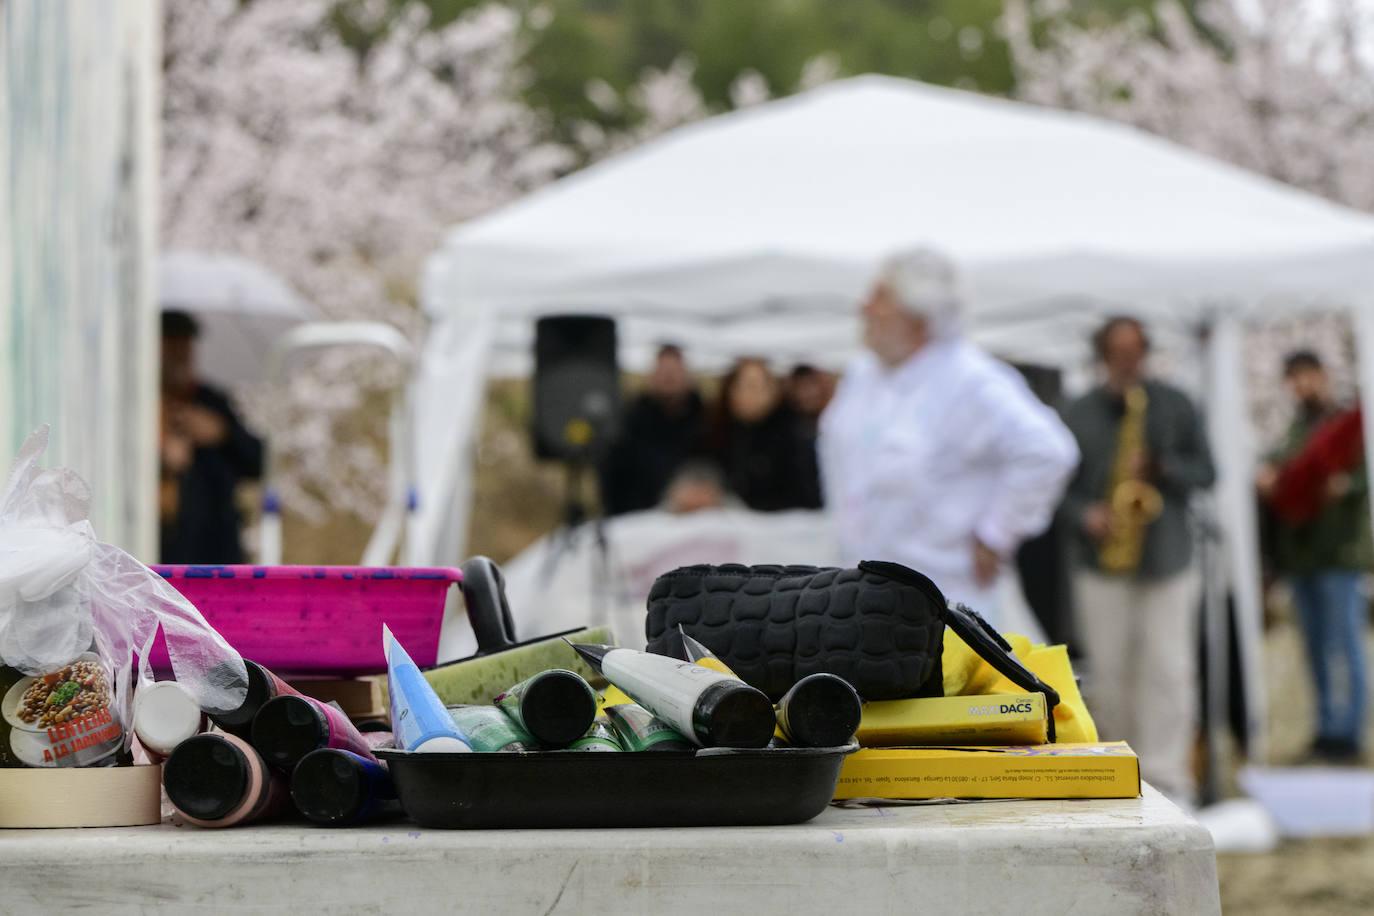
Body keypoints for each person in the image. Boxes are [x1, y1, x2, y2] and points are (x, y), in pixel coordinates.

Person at [818, 248, 1079, 623]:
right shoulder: (864, 375)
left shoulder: (970, 379)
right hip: (862, 597)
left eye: (881, 297)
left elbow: (1047, 451)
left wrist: (996, 533)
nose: (865, 308)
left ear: (919, 317)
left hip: (947, 605)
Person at [1060, 315, 1215, 804]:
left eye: (1135, 350)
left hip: (1166, 555)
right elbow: (1054, 489)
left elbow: (1208, 470)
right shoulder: (1077, 412)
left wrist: (1163, 467)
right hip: (1101, 560)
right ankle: (1122, 773)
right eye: (1117, 351)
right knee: (1110, 672)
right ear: (1102, 355)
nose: (1128, 361)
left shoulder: (1174, 403)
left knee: (1170, 669)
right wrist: (1087, 514)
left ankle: (1170, 780)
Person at [1258, 350, 1369, 762]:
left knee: (1345, 643)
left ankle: (1350, 732)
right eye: (1295, 378)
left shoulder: (1348, 426)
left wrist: (1347, 485)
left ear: (1323, 376)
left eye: (1308, 376)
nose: (1302, 386)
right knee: (1315, 647)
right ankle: (1326, 730)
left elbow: (1359, 476)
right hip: (1300, 556)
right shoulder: (1294, 431)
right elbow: (1285, 470)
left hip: (1338, 554)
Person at [159, 311, 264, 564]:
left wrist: (223, 433)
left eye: (184, 348)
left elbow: (259, 462)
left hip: (217, 548)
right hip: (158, 552)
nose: (179, 357)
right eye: (170, 347)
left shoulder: (213, 401)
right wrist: (162, 459)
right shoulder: (133, 406)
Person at [598, 344, 707, 515]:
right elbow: (613, 477)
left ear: (687, 376)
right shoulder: (628, 422)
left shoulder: (706, 421)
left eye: (674, 371)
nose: (669, 377)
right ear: (651, 376)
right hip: (641, 520)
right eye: (663, 371)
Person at [709, 357, 822, 511]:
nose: (751, 395)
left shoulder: (792, 435)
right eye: (746, 386)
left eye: (757, 387)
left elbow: (807, 495)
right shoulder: (719, 430)